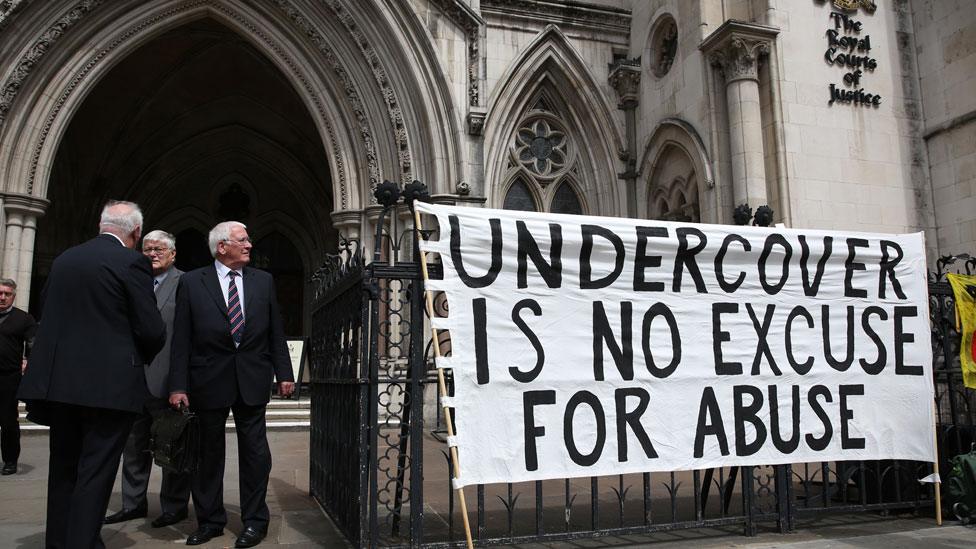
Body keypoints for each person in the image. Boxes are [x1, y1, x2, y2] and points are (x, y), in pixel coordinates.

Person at [18, 200, 166, 549]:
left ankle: (60, 541)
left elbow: (49, 316)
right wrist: (133, 358)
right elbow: (151, 328)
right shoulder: (132, 262)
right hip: (108, 390)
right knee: (95, 474)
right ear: (135, 232)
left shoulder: (65, 259)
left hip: (61, 387)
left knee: (64, 471)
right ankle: (81, 543)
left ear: (102, 225)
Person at [169, 221, 294, 548]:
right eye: (243, 240)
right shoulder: (193, 282)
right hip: (207, 380)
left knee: (255, 454)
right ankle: (209, 520)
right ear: (222, 246)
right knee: (208, 455)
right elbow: (181, 337)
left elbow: (275, 332)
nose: (250, 244)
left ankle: (255, 521)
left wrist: (285, 374)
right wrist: (177, 386)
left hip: (252, 379)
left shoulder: (263, 281)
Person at [104, 230, 191, 527]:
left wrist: (181, 381)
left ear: (173, 254)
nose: (153, 254)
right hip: (131, 379)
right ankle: (133, 503)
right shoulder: (131, 281)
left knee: (171, 445)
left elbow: (187, 336)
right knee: (133, 446)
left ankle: (174, 506)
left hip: (167, 380)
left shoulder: (186, 283)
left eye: (159, 249)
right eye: (148, 249)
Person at [0, 279, 36, 476]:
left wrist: (28, 362)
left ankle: (10, 461)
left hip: (8, 378)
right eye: (0, 293)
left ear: (14, 296)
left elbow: (33, 343)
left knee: (8, 422)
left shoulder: (23, 319)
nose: (2, 297)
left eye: (7, 294)